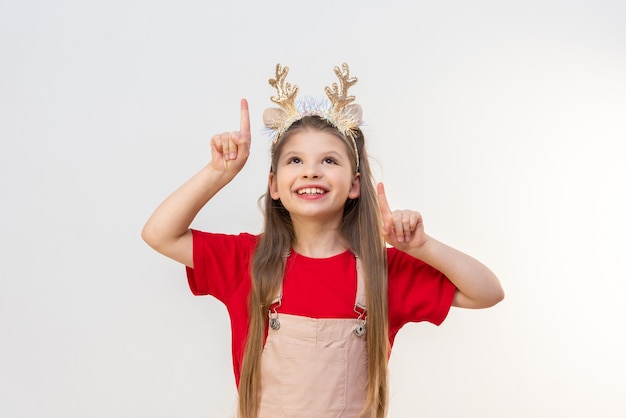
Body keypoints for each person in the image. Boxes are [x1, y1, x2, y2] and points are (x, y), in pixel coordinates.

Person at [142, 63, 504, 418]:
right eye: (295, 160)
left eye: (329, 160)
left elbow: (487, 292)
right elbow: (159, 234)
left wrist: (421, 247)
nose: (311, 170)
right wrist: (218, 173)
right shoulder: (246, 260)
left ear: (354, 184)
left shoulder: (384, 272)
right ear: (274, 186)